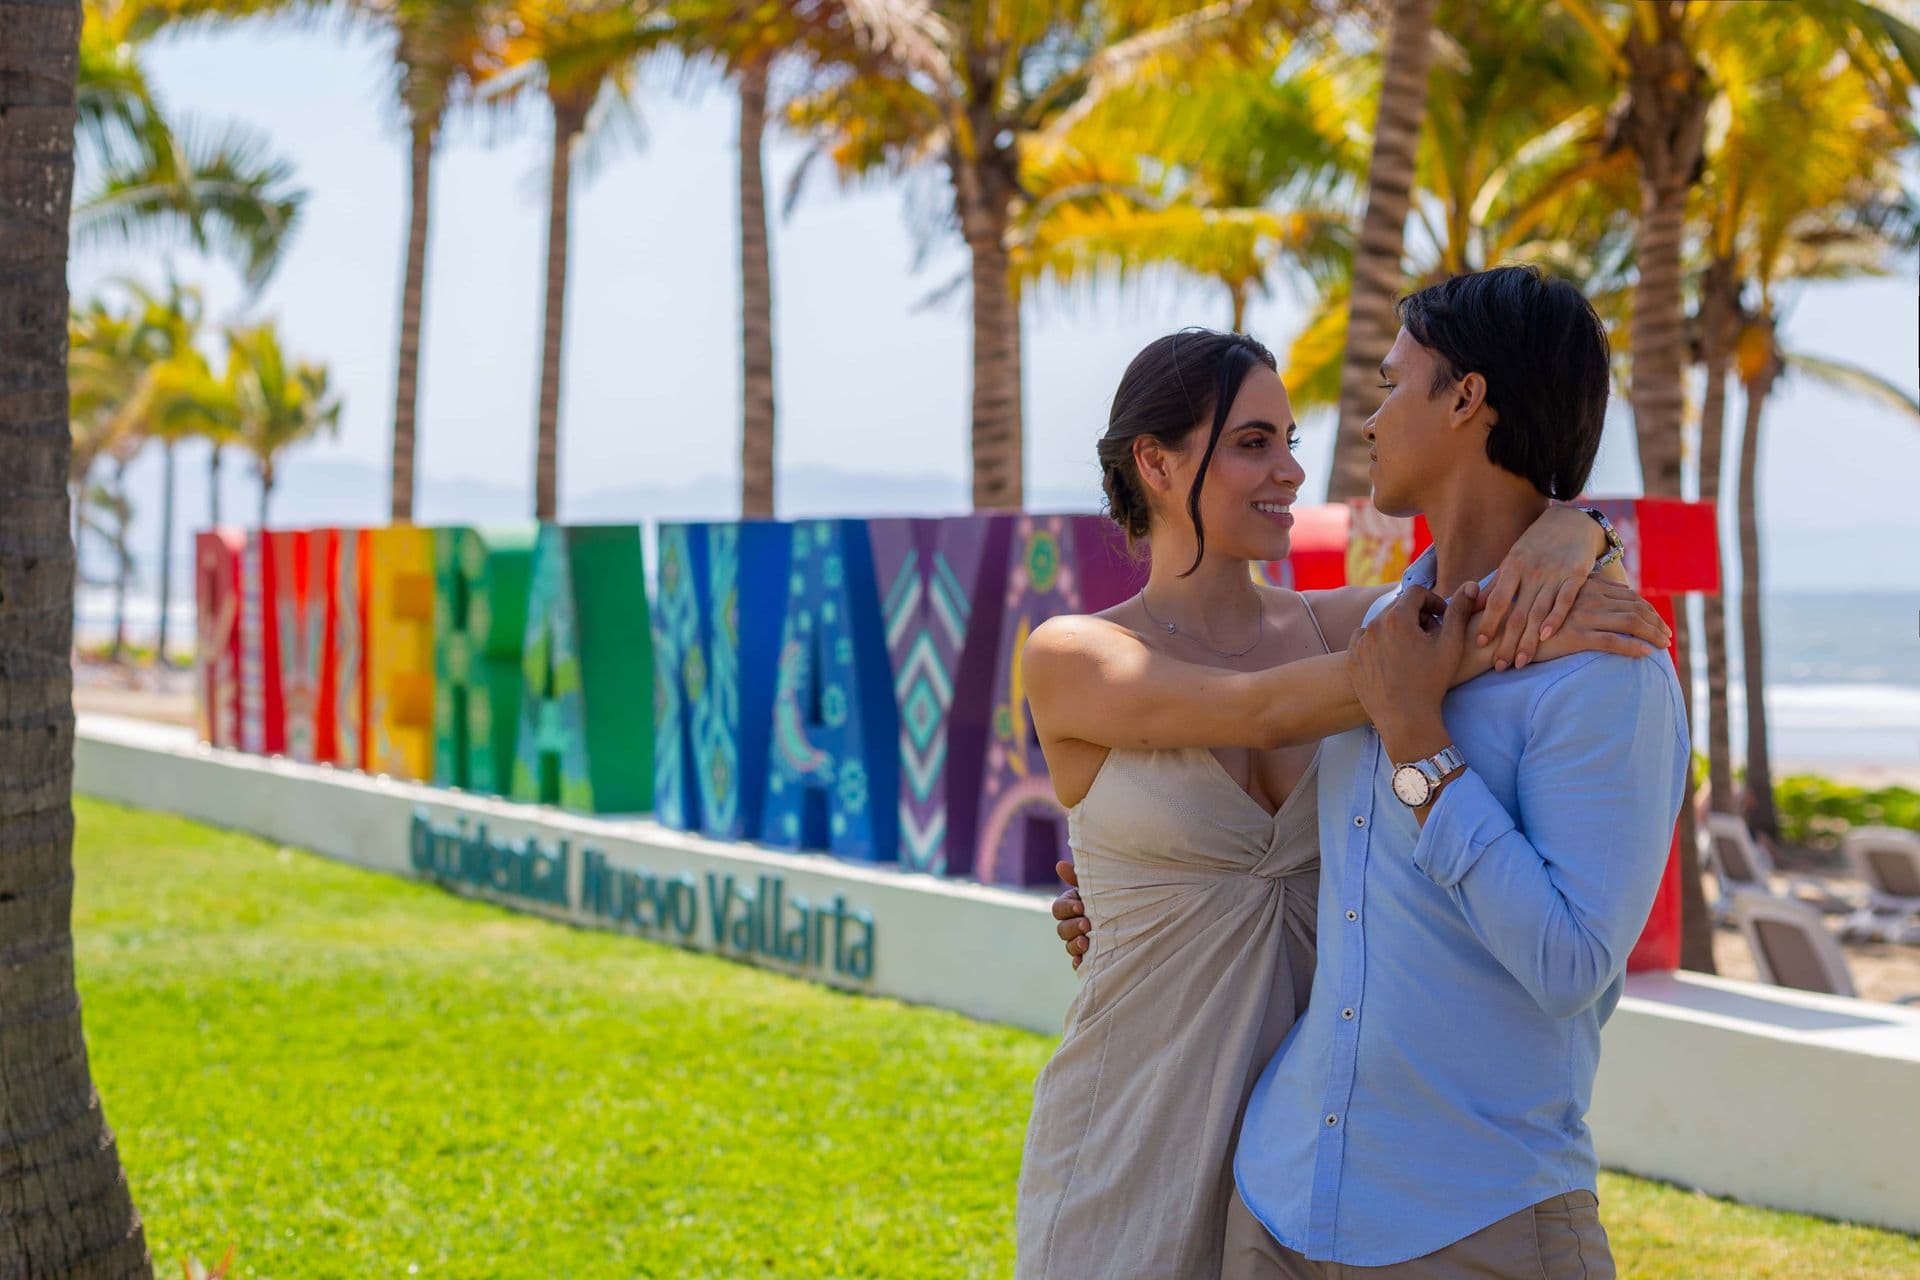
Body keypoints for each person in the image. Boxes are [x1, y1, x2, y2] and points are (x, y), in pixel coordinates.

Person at [1014, 321, 1672, 1280]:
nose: (1290, 469)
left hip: (1302, 1159)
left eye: (1288, 440)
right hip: (1133, 1125)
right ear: (1155, 462)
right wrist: (1502, 625)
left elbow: (1464, 564)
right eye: (1252, 444)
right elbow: (1263, 708)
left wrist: (1582, 532)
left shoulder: (1343, 624)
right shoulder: (1074, 654)